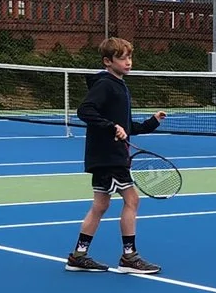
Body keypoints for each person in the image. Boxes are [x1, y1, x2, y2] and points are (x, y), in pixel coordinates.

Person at [68, 37, 166, 274]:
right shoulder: (106, 85)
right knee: (132, 200)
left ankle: (79, 255)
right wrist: (111, 127)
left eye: (129, 57)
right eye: (122, 58)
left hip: (105, 158)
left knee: (100, 205)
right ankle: (129, 257)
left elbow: (125, 126)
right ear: (107, 61)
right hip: (109, 157)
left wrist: (151, 123)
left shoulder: (119, 85)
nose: (128, 62)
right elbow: (85, 110)